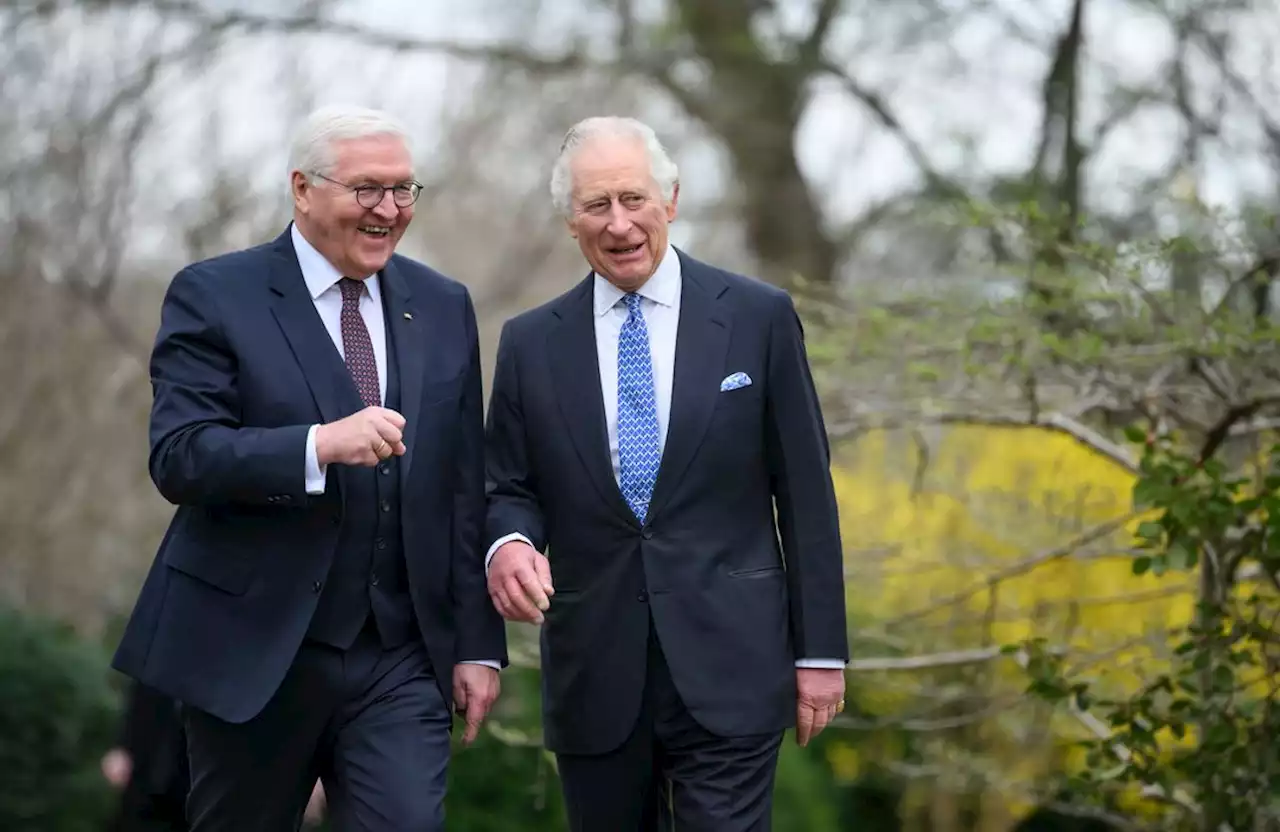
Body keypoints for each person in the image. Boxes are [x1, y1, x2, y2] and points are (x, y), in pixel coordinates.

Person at [111, 104, 506, 831]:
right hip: (253, 652)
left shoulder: (444, 305)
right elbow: (179, 455)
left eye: (404, 189)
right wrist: (315, 446)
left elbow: (462, 488)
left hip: (400, 660)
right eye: (366, 189)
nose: (389, 209)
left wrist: (479, 644)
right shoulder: (214, 293)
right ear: (301, 188)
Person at [483, 116, 850, 831]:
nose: (619, 224)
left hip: (733, 661)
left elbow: (805, 497)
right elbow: (509, 487)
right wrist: (511, 544)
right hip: (595, 672)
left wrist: (822, 653)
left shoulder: (757, 317)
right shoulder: (530, 344)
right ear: (570, 222)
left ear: (671, 200)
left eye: (633, 199)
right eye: (596, 206)